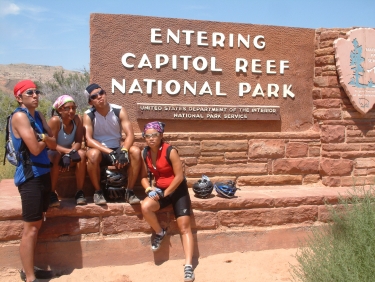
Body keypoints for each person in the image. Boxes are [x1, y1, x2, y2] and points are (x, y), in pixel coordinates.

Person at [11, 80, 57, 282]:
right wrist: (45, 138)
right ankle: (30, 277)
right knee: (30, 228)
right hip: (30, 177)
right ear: (19, 97)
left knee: (37, 225)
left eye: (37, 91)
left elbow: (53, 141)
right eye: (29, 92)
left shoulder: (37, 115)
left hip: (43, 173)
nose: (35, 95)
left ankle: (31, 269)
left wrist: (44, 137)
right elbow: (37, 149)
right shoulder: (20, 117)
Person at [140, 121, 195, 282]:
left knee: (184, 227)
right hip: (160, 191)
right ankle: (159, 232)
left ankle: (188, 266)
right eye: (147, 136)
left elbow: (179, 177)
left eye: (154, 135)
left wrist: (165, 194)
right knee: (145, 206)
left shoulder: (170, 150)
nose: (151, 139)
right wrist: (149, 189)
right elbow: (143, 177)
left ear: (161, 135)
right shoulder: (145, 153)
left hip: (177, 191)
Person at [82, 83, 141, 205]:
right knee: (92, 154)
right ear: (90, 102)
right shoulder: (88, 114)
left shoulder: (119, 110)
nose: (99, 97)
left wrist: (123, 150)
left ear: (105, 94)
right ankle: (98, 192)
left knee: (135, 151)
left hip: (118, 148)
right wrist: (110, 152)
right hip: (101, 151)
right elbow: (88, 140)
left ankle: (129, 191)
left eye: (101, 93)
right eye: (94, 96)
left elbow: (130, 134)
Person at [47, 95, 87, 206]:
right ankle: (51, 193)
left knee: (82, 155)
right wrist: (68, 152)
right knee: (55, 155)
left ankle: (79, 192)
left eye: (73, 108)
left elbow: (78, 141)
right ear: (59, 110)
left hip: (67, 152)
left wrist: (70, 154)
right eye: (67, 108)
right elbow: (51, 144)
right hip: (53, 152)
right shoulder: (55, 121)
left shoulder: (78, 120)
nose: (71, 111)